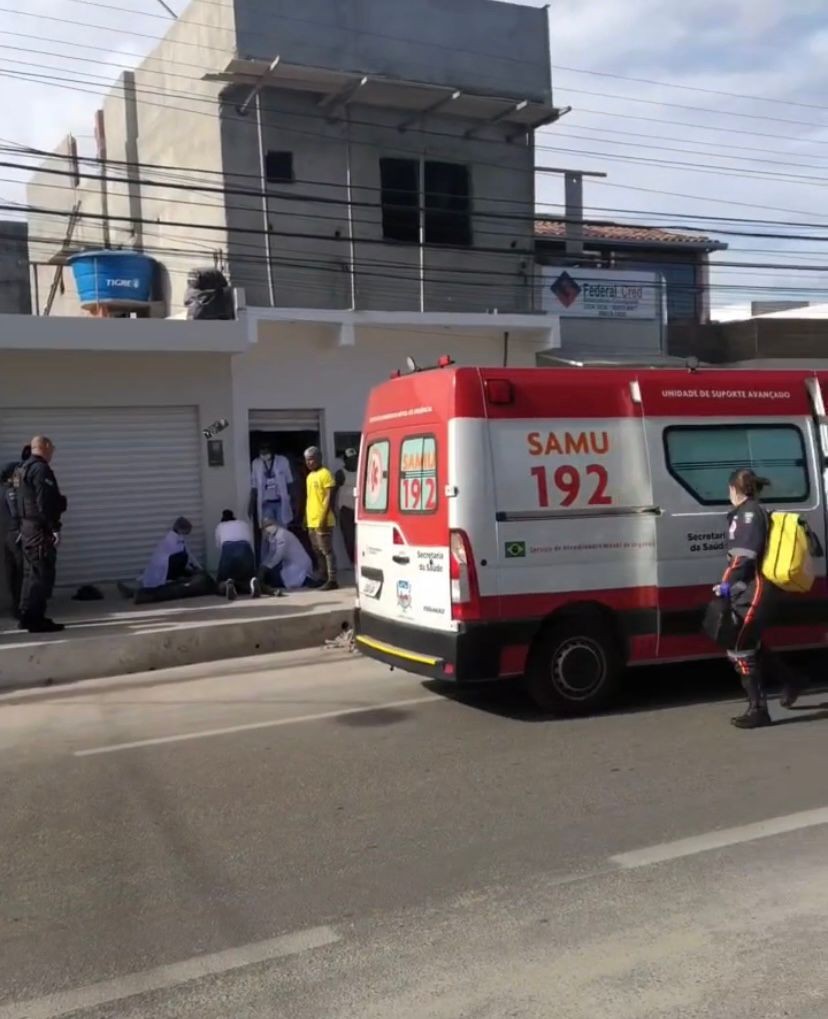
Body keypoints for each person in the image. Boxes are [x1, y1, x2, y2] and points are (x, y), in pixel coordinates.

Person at [715, 468, 783, 729]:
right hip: (746, 588)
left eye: (729, 489)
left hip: (753, 589)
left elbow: (743, 557)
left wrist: (725, 585)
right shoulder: (746, 512)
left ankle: (759, 710)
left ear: (734, 488)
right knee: (749, 645)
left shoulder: (749, 514)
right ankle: (791, 681)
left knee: (741, 648)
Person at [14, 436, 65, 633]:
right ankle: (36, 620)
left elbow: (17, 501)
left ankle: (26, 616)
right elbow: (45, 503)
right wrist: (54, 527)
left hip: (26, 527)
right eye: (52, 448)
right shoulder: (40, 469)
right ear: (44, 447)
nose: (53, 452)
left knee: (30, 574)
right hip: (39, 530)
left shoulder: (21, 469)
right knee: (41, 574)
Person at [132, 517, 214, 605]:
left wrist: (197, 567)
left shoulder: (178, 537)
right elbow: (184, 557)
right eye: (186, 531)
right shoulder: (172, 540)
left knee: (185, 560)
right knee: (183, 557)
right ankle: (175, 578)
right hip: (164, 569)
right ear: (180, 529)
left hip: (166, 567)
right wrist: (193, 568)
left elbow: (189, 554)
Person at [1, 444, 29, 619]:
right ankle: (20, 608)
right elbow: (16, 513)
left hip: (5, 537)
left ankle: (14, 607)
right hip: (15, 536)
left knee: (10, 572)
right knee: (21, 572)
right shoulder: (11, 492)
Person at [304, 446, 338, 591]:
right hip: (312, 520)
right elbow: (310, 499)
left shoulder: (325, 474)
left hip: (323, 520)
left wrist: (323, 518)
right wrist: (305, 519)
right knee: (317, 551)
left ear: (319, 458)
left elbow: (329, 498)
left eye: (311, 459)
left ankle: (332, 579)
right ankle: (322, 576)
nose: (309, 462)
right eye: (307, 460)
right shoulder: (309, 476)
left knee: (327, 550)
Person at [259, 518, 317, 591]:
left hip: (299, 565)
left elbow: (278, 556)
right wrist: (264, 565)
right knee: (273, 576)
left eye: (268, 525)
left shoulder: (282, 535)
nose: (267, 528)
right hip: (291, 565)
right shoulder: (273, 536)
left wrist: (266, 568)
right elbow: (271, 554)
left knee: (272, 579)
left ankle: (308, 581)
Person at [215, 509, 260, 601]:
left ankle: (227, 584)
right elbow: (250, 540)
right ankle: (252, 584)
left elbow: (219, 546)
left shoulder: (220, 526)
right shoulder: (243, 524)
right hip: (245, 548)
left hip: (228, 549)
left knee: (221, 581)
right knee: (247, 577)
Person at [249, 442, 294, 530]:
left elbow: (289, 482)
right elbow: (254, 486)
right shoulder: (256, 463)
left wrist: (292, 501)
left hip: (280, 503)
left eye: (266, 452)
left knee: (282, 531)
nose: (264, 455)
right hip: (266, 504)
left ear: (271, 451)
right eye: (262, 453)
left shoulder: (282, 461)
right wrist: (251, 505)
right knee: (269, 531)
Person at [336, 447, 358, 566]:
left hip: (360, 511)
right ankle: (353, 562)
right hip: (346, 510)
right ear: (345, 460)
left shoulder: (362, 470)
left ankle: (360, 562)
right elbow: (333, 492)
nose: (353, 461)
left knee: (361, 540)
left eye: (355, 459)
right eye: (350, 459)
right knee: (349, 539)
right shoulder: (340, 474)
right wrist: (332, 511)